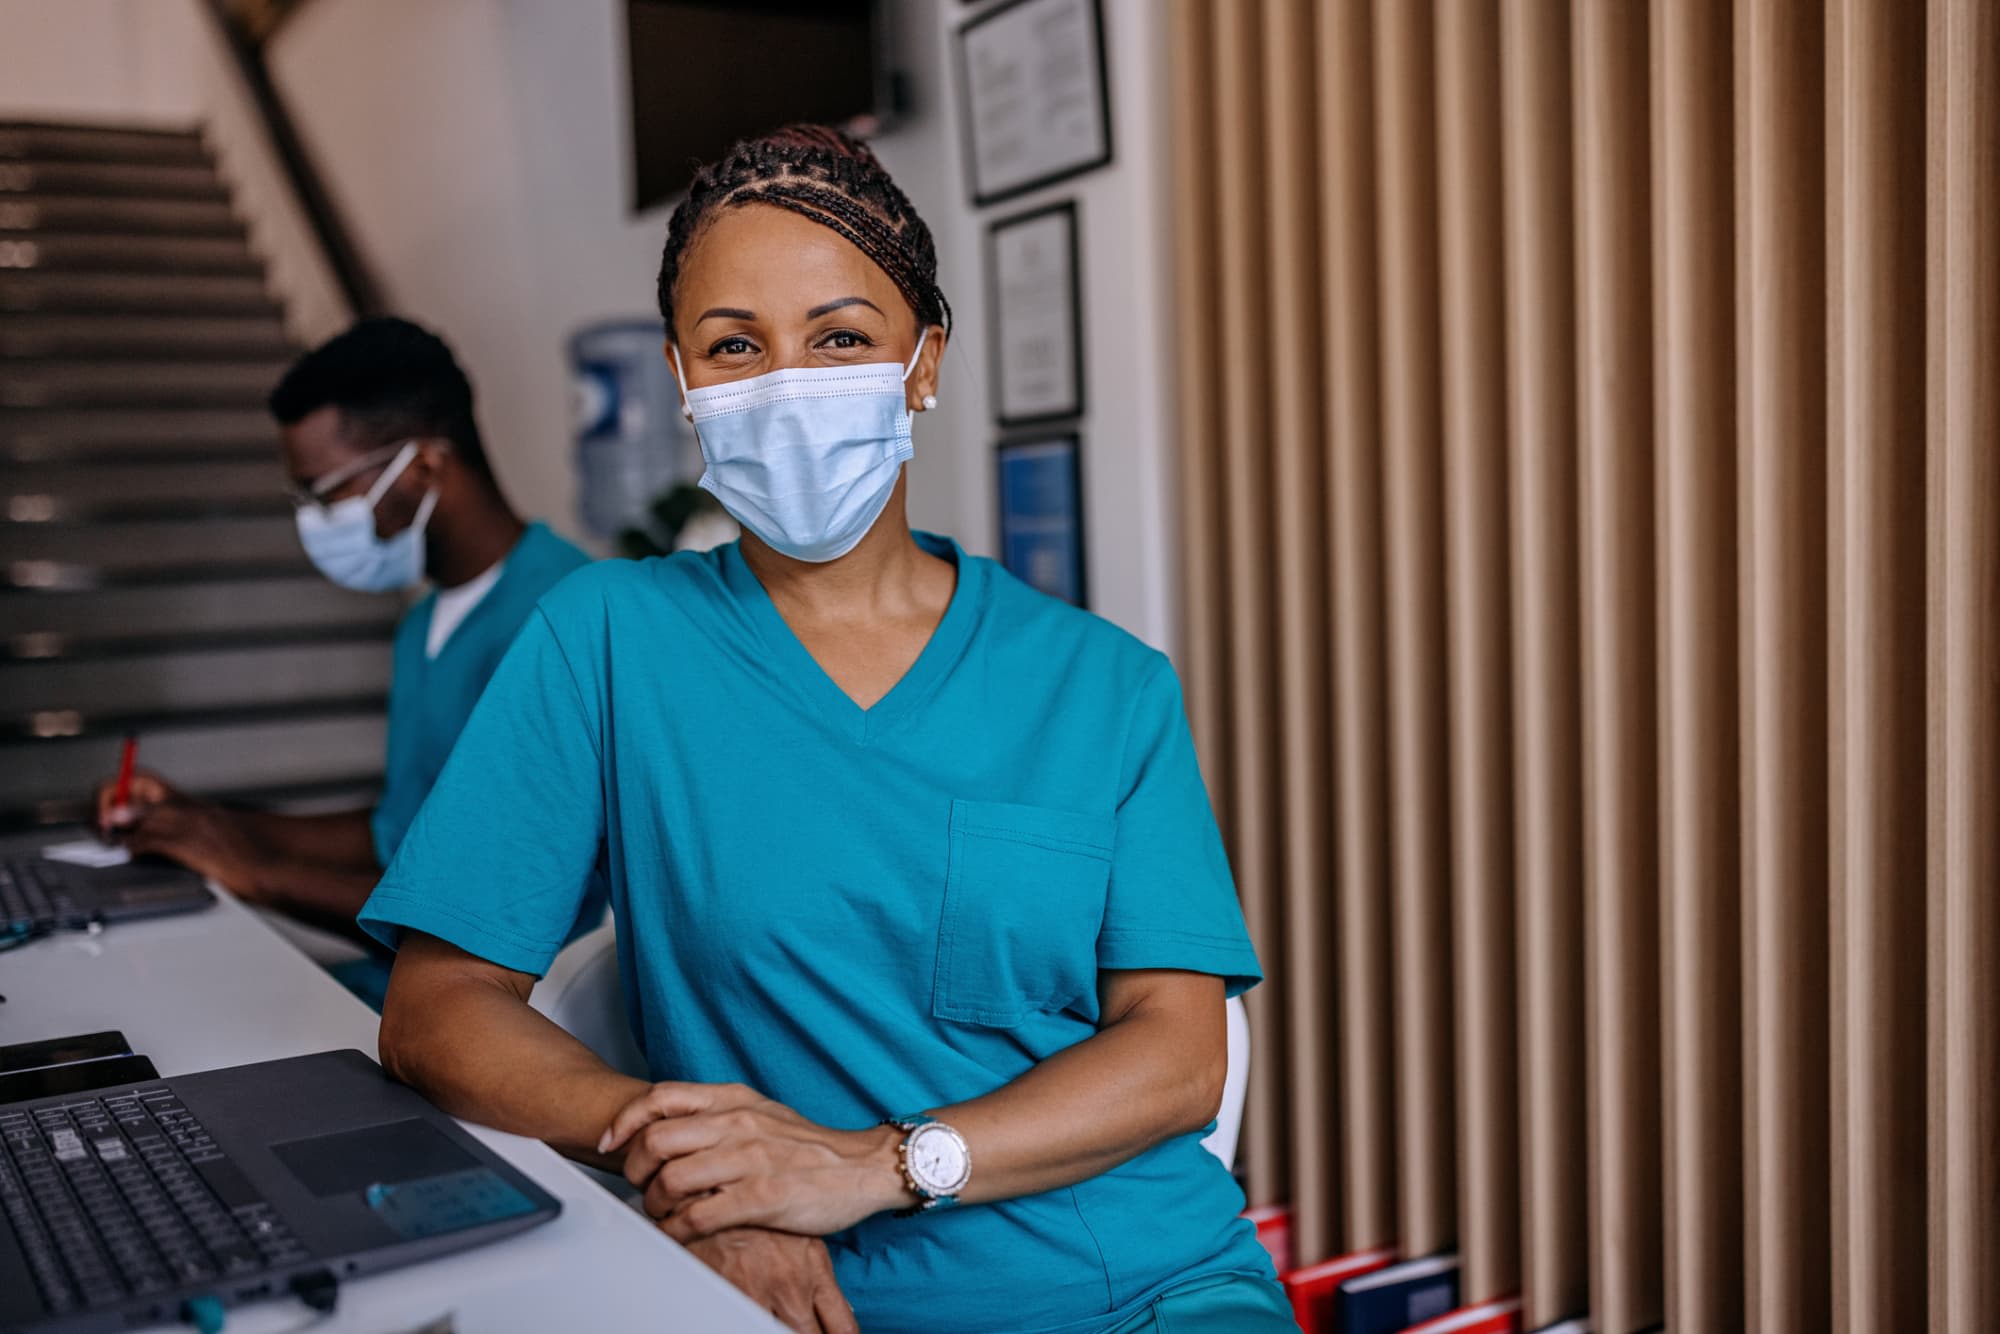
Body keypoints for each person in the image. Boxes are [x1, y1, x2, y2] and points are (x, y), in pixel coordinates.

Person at [361, 127, 1290, 1334]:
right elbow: (435, 1006)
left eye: (839, 336)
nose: (785, 383)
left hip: (1152, 1278)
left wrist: (877, 1162)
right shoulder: (604, 641)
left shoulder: (1103, 684)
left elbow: (1177, 1055)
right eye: (734, 345)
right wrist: (697, 1172)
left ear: (922, 362)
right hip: (812, 1299)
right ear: (682, 379)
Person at [94, 317, 605, 1006]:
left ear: (423, 466)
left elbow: (484, 913)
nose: (314, 520)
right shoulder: (425, 622)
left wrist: (259, 872)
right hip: (388, 992)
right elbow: (400, 831)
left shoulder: (563, 619)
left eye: (325, 493)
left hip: (493, 1017)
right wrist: (205, 822)